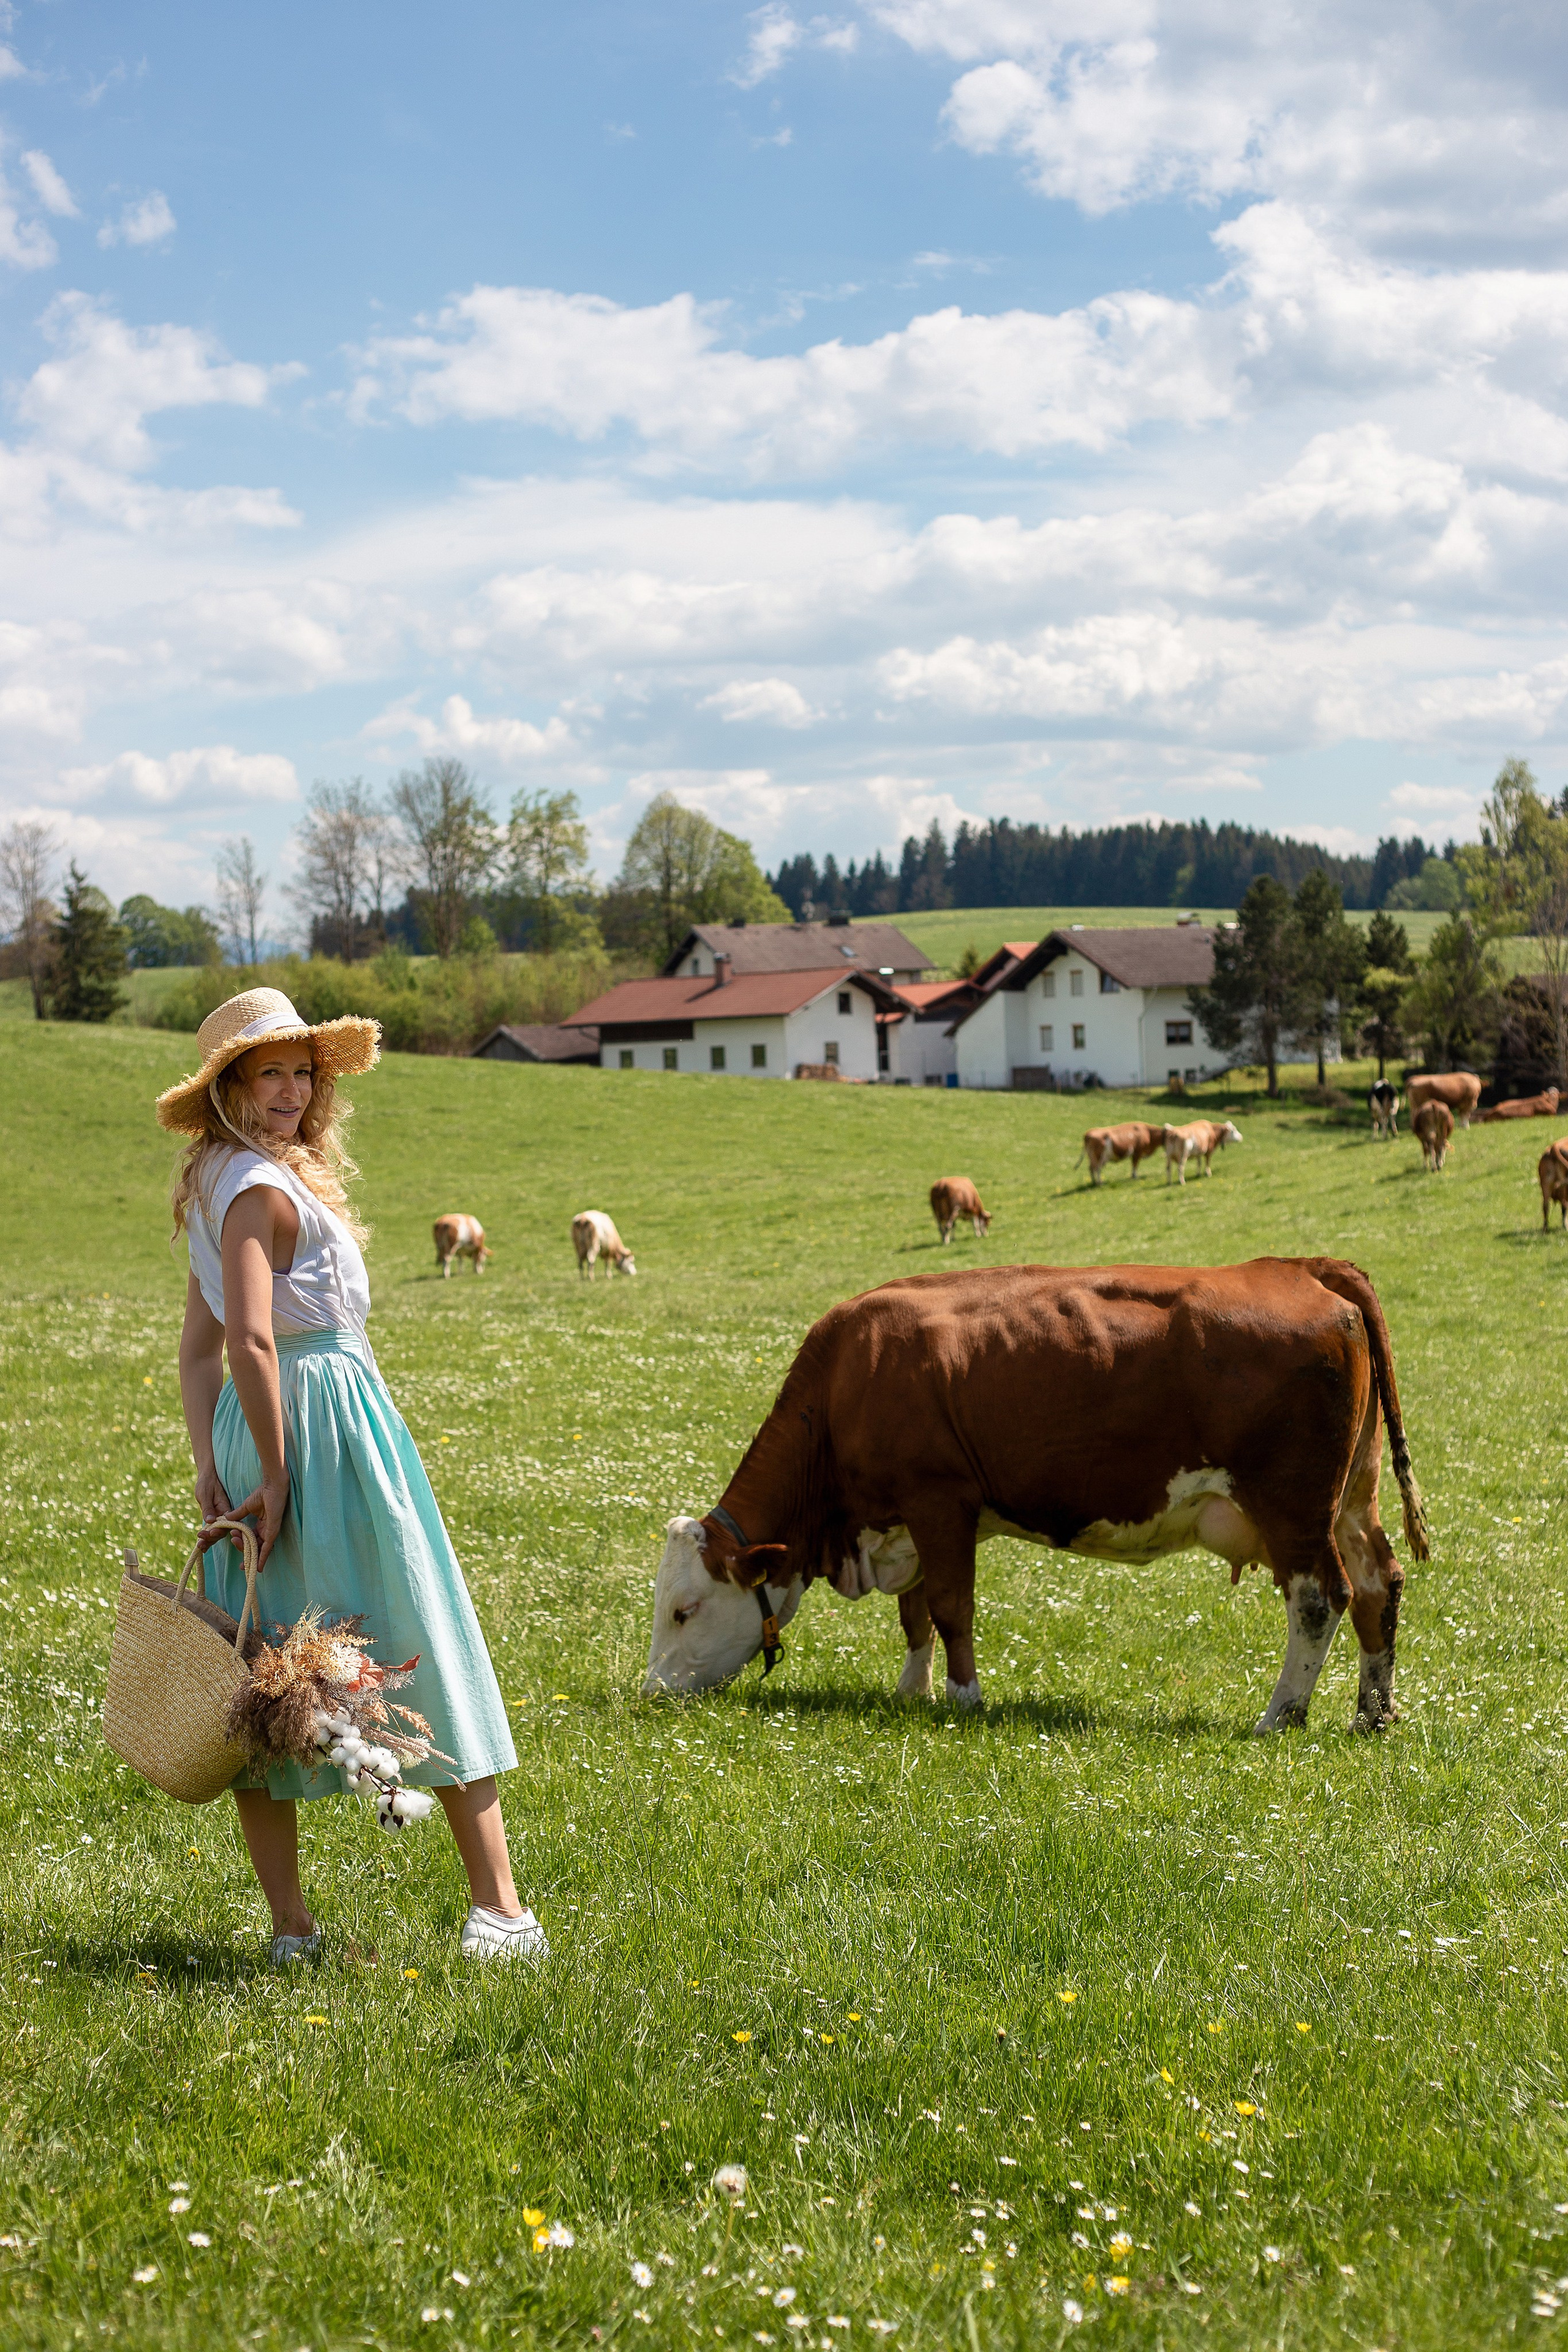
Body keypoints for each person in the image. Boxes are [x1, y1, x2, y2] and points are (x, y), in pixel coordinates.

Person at [157, 986, 545, 1968]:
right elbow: (239, 1338)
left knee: (262, 1675)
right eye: (268, 1073)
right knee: (420, 1634)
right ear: (228, 1088)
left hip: (265, 1432)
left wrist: (216, 1459)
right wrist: (274, 1472)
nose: (291, 1091)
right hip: (320, 1426)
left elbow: (199, 1352)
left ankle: (295, 1931)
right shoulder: (260, 1189)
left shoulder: (218, 1181)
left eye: (302, 1072)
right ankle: (498, 1912)